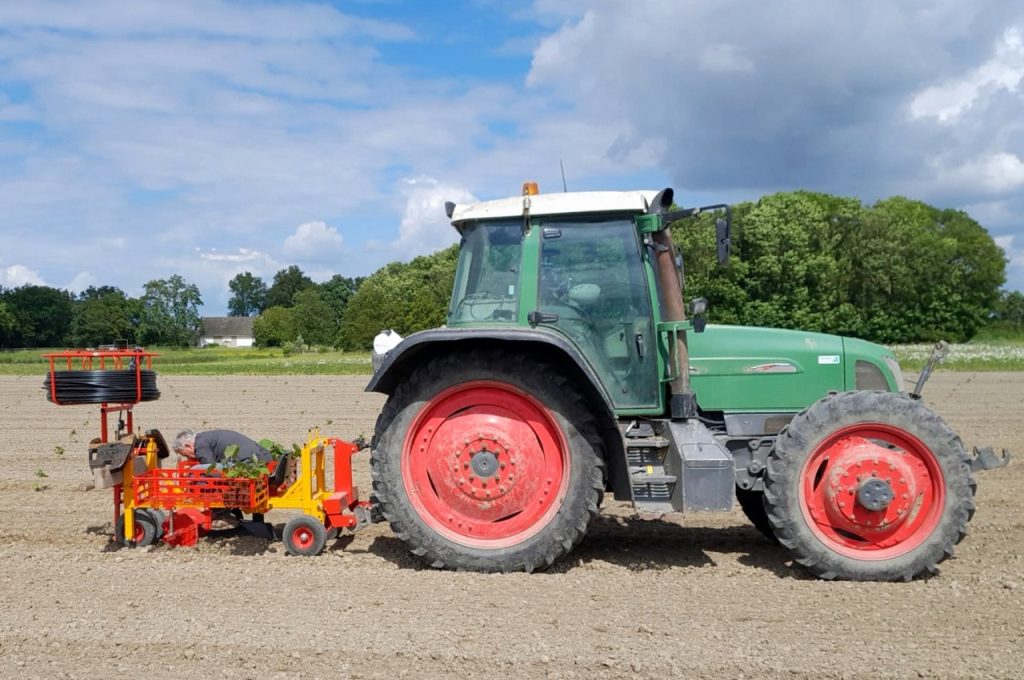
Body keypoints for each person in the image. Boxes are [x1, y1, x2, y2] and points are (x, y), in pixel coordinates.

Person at [171, 429, 272, 467]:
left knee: (197, 470)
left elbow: (211, 469)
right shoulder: (206, 437)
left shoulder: (200, 445)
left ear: (188, 445)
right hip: (260, 457)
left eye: (185, 454)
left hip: (246, 462)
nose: (188, 458)